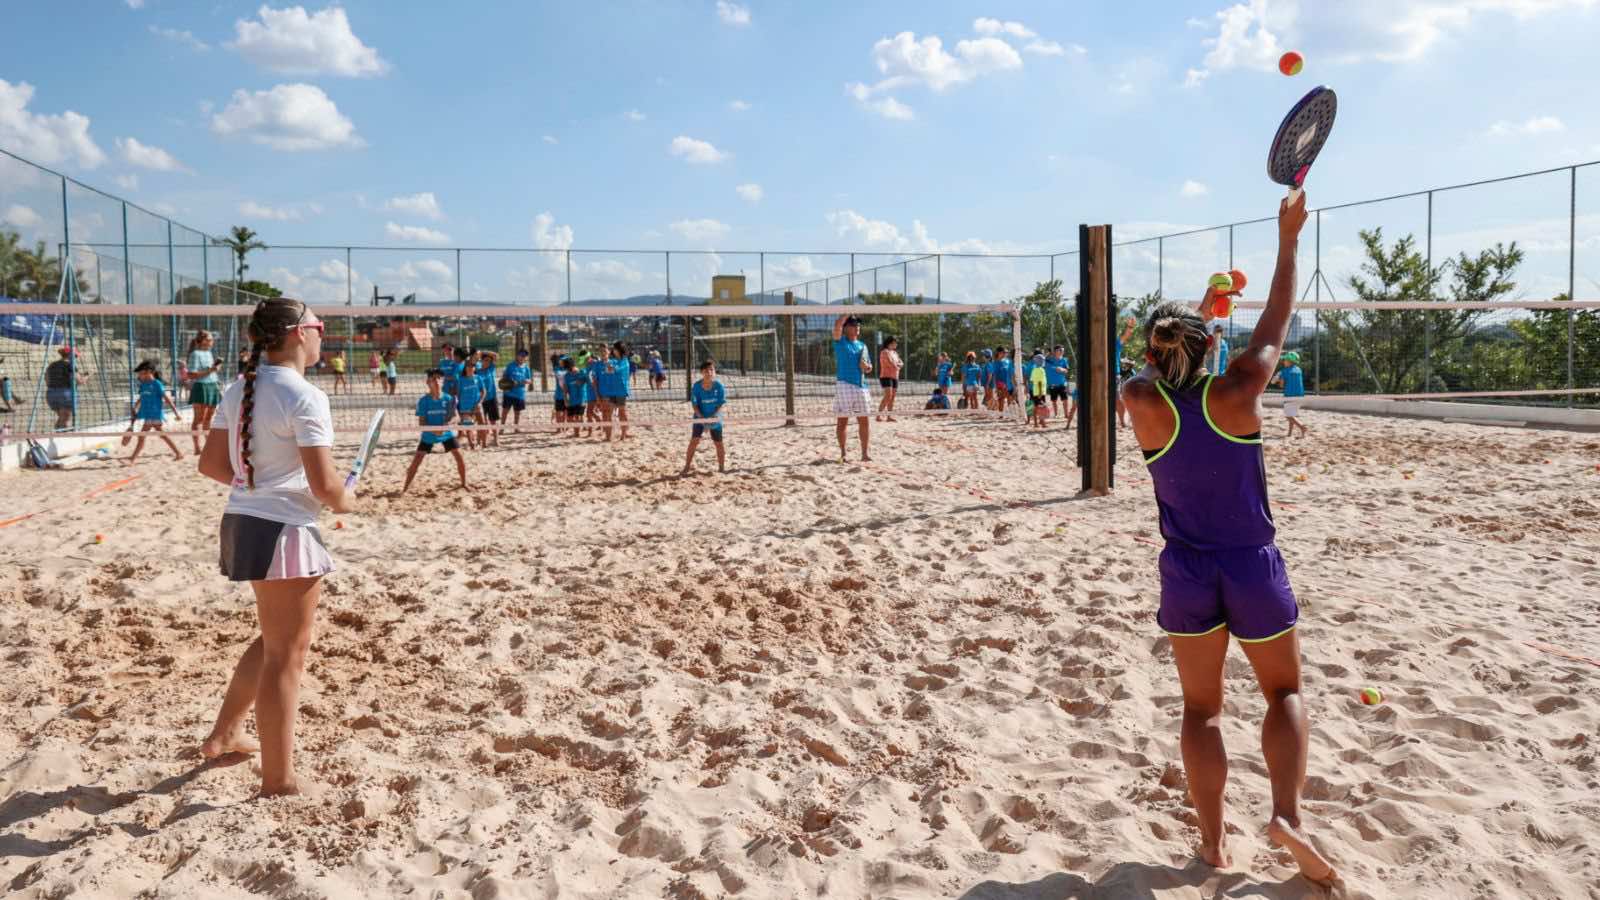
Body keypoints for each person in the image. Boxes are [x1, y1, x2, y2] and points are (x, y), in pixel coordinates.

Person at [1119, 192, 1334, 885]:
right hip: (1252, 563)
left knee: (1202, 709)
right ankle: (1287, 817)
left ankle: (1212, 842)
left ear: (1155, 351)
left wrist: (1186, 332)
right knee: (1284, 696)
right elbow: (1276, 317)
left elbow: (1149, 364)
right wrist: (1288, 237)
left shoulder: (1140, 401)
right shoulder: (1240, 390)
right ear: (1213, 347)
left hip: (1187, 571)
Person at [197, 297, 353, 797]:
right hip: (283, 530)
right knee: (287, 654)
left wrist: (266, 482)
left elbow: (213, 467)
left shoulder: (239, 387)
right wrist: (346, 500)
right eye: (320, 326)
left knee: (272, 641)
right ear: (297, 334)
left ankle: (224, 734)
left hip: (243, 520)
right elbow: (327, 486)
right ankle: (278, 780)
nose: (322, 335)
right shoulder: (304, 396)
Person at [402, 369, 468, 492]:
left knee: (460, 457)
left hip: (446, 433)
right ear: (428, 382)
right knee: (417, 461)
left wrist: (448, 424)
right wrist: (434, 431)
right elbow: (421, 423)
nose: (437, 381)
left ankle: (464, 484)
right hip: (429, 434)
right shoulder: (424, 401)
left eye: (439, 378)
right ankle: (405, 488)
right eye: (433, 379)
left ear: (442, 381)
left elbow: (456, 417)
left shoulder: (448, 398)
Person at [124, 359, 184, 464]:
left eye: (141, 373)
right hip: (148, 414)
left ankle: (132, 459)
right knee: (160, 435)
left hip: (155, 414)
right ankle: (178, 453)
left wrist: (176, 413)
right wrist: (135, 407)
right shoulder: (143, 385)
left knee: (144, 436)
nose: (139, 375)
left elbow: (167, 399)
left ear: (148, 372)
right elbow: (142, 397)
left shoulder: (157, 384)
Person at [831, 315, 872, 462]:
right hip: (845, 385)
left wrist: (867, 368)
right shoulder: (841, 342)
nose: (857, 327)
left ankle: (865, 454)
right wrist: (848, 312)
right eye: (854, 325)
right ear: (846, 328)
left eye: (858, 325)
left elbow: (869, 367)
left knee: (864, 420)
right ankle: (843, 453)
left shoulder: (863, 345)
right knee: (842, 422)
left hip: (861, 386)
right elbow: (836, 326)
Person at [681, 359, 727, 475]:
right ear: (702, 372)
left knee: (718, 443)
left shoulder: (719, 386)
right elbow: (695, 405)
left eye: (712, 370)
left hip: (715, 417)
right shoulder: (697, 386)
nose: (710, 373)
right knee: (694, 441)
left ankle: (721, 468)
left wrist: (712, 418)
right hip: (699, 416)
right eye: (707, 370)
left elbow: (720, 404)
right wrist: (702, 419)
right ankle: (687, 466)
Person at [186, 330, 224, 454]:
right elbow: (191, 374)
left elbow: (210, 372)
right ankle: (197, 448)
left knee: (209, 418)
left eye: (212, 339)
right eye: (209, 339)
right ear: (201, 341)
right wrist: (211, 370)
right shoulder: (195, 354)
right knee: (199, 419)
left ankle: (208, 446)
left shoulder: (209, 353)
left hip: (212, 386)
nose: (211, 342)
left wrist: (215, 371)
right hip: (201, 387)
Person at [597, 341, 632, 441]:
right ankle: (608, 437)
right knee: (608, 413)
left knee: (622, 413)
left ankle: (623, 435)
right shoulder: (614, 360)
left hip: (621, 391)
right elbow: (608, 369)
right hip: (611, 391)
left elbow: (614, 370)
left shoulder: (624, 361)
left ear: (619, 350)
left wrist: (608, 365)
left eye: (615, 349)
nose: (613, 350)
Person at [44, 346, 84, 430]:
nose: (76, 358)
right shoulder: (70, 365)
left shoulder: (52, 365)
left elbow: (47, 380)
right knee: (65, 421)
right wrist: (86, 377)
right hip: (65, 395)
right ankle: (63, 437)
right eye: (75, 356)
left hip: (51, 394)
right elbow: (79, 381)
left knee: (62, 419)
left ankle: (57, 435)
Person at [1272, 351, 1308, 438]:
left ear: (1289, 361)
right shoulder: (1299, 370)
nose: (1283, 361)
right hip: (1300, 395)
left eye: (1285, 360)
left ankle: (1302, 427)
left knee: (1288, 416)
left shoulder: (1284, 371)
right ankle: (1290, 433)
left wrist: (1278, 379)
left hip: (1289, 396)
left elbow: (1281, 385)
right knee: (1292, 415)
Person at [455, 356, 484, 450]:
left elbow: (484, 391)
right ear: (465, 368)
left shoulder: (478, 378)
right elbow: (458, 395)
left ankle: (480, 442)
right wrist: (461, 407)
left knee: (482, 424)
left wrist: (479, 402)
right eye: (468, 366)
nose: (471, 368)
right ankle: (471, 444)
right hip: (465, 406)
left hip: (477, 405)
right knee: (468, 426)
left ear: (475, 368)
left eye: (472, 366)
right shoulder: (461, 380)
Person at [561, 355, 591, 438]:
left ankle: (577, 433)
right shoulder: (567, 375)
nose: (567, 369)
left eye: (566, 367)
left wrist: (582, 381)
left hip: (581, 398)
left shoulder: (582, 372)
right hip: (572, 399)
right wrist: (565, 399)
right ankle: (579, 429)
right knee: (570, 418)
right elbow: (565, 389)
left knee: (578, 416)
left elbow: (589, 382)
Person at [501, 349, 532, 432]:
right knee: (505, 411)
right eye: (521, 355)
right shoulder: (510, 365)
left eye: (524, 356)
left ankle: (516, 428)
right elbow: (504, 377)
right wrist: (509, 383)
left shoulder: (526, 368)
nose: (522, 357)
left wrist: (525, 381)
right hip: (509, 393)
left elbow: (529, 380)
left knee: (517, 412)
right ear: (517, 356)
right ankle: (502, 428)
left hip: (520, 393)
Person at [478, 350, 501, 447]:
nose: (488, 362)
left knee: (493, 421)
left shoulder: (490, 369)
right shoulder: (477, 371)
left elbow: (496, 355)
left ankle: (496, 440)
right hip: (481, 400)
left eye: (489, 361)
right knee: (481, 422)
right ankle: (480, 441)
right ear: (482, 361)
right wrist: (481, 354)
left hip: (491, 398)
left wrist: (484, 352)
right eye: (486, 360)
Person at [876, 336, 902, 422]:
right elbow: (891, 364)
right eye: (895, 342)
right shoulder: (884, 352)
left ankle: (889, 416)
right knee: (888, 396)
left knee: (892, 397)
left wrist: (898, 365)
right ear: (890, 343)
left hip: (895, 376)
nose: (897, 344)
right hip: (886, 376)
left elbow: (901, 362)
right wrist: (897, 365)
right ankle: (878, 415)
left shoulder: (895, 353)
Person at [1117, 316, 1136, 428]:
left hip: (1114, 375)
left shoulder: (1115, 344)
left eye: (1127, 364)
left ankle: (1123, 422)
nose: (1125, 364)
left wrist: (1130, 326)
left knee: (1118, 400)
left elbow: (1126, 336)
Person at [1027, 352, 1050, 428]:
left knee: (1035, 407)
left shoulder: (1034, 370)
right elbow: (1040, 382)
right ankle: (1043, 423)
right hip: (1040, 392)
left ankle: (1036, 423)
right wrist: (1040, 392)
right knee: (1041, 407)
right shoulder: (1041, 370)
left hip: (1035, 391)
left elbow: (1032, 380)